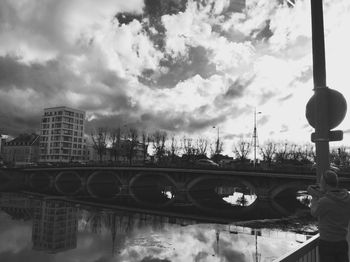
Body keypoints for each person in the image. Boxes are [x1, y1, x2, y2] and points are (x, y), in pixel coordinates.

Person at [308, 170, 350, 262]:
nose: (320, 184)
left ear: (325, 184)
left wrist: (314, 197)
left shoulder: (324, 201)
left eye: (321, 182)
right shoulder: (347, 197)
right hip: (342, 242)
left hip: (327, 243)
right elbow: (334, 197)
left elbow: (314, 212)